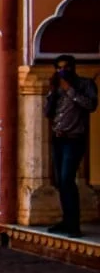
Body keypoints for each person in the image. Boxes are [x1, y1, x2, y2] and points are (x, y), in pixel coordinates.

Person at [45, 54, 97, 237]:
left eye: (66, 67)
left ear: (73, 67)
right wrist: (52, 91)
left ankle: (74, 225)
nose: (62, 71)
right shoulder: (57, 87)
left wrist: (70, 91)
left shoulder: (85, 84)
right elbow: (47, 112)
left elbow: (91, 105)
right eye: (59, 68)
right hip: (58, 138)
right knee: (60, 182)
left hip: (74, 139)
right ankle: (66, 220)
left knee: (68, 179)